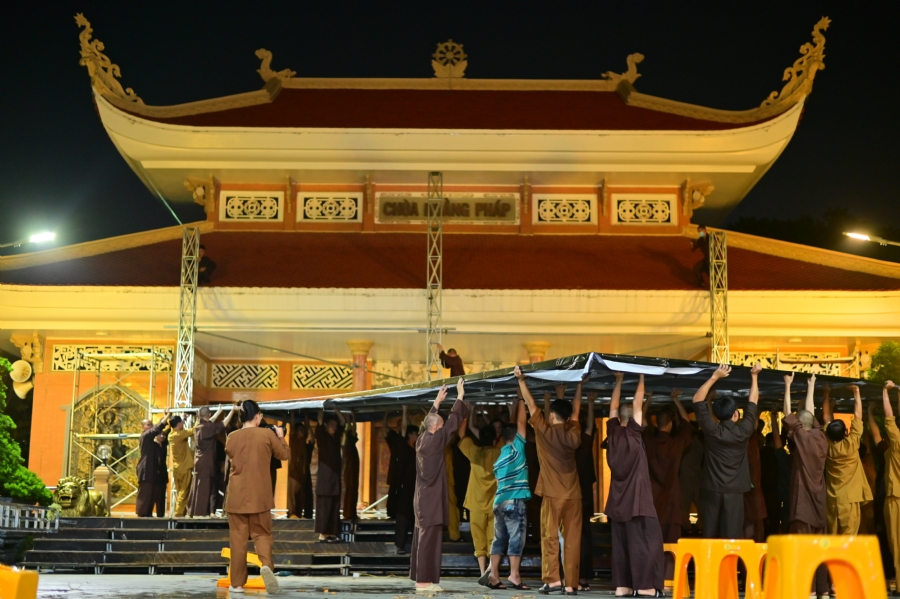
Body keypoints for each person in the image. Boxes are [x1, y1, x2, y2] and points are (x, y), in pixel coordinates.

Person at [515, 366, 582, 595]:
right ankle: (571, 584)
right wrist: (578, 386)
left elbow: (532, 405)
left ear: (551, 415)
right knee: (573, 541)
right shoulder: (574, 433)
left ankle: (553, 580)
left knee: (550, 536)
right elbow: (575, 413)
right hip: (574, 494)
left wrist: (521, 380)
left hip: (553, 494)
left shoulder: (544, 431)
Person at [606, 373, 664, 598]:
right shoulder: (633, 432)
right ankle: (645, 586)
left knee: (620, 546)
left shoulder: (612, 433)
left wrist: (618, 381)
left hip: (617, 502)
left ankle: (623, 586)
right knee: (647, 542)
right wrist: (641, 375)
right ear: (634, 420)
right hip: (638, 501)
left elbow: (613, 407)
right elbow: (637, 401)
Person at [224, 400, 291, 594]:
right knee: (262, 535)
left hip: (236, 496)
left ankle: (237, 584)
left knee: (237, 540)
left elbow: (231, 454)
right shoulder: (267, 434)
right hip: (260, 495)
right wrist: (280, 437)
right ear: (258, 416)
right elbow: (284, 455)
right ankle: (267, 567)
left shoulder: (232, 437)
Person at [411, 379, 469, 593]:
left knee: (424, 538)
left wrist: (437, 401)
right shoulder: (434, 441)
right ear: (436, 428)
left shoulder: (421, 439)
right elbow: (453, 422)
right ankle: (424, 582)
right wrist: (460, 395)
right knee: (428, 540)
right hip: (431, 498)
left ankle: (423, 579)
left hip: (422, 498)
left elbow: (429, 421)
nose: (444, 428)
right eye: (441, 425)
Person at [692, 363, 761, 538]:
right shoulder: (744, 431)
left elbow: (697, 400)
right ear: (736, 414)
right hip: (735, 493)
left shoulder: (712, 430)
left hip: (711, 490)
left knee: (709, 535)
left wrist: (714, 377)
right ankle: (729, 565)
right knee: (731, 536)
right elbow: (753, 402)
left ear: (715, 415)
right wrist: (754, 376)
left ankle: (709, 566)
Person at [782, 372, 829, 597]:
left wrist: (788, 385)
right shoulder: (821, 438)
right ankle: (822, 590)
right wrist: (812, 386)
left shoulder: (801, 438)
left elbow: (787, 414)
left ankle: (807, 590)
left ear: (800, 425)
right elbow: (808, 415)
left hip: (802, 506)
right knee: (819, 550)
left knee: (802, 550)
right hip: (820, 505)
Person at [485, 395, 531, 591]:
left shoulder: (500, 456)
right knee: (516, 538)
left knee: (499, 539)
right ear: (517, 436)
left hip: (498, 502)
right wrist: (521, 398)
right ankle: (514, 574)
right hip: (514, 501)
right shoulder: (517, 449)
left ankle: (493, 574)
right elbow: (521, 421)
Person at [643, 389, 693, 543]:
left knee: (652, 546)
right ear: (670, 424)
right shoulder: (676, 444)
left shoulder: (649, 442)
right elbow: (687, 423)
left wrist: (648, 399)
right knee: (672, 549)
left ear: (656, 423)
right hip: (672, 505)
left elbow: (640, 421)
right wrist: (676, 399)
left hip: (652, 502)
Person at [823, 384, 872, 534]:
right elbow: (858, 417)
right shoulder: (852, 444)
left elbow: (826, 417)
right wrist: (856, 392)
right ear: (846, 432)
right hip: (850, 501)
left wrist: (826, 393)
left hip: (832, 501)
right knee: (848, 541)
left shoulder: (827, 445)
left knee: (833, 539)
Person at [460, 410, 502, 577]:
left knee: (479, 541)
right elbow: (509, 433)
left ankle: (482, 571)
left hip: (475, 503)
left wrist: (465, 413)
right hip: (494, 503)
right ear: (494, 439)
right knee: (494, 538)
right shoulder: (500, 452)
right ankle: (492, 571)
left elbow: (462, 435)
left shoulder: (474, 452)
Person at [188, 404, 236, 517]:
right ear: (208, 415)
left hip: (198, 462)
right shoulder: (207, 428)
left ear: (198, 415)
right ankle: (199, 513)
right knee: (204, 488)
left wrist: (219, 411)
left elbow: (211, 422)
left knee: (197, 486)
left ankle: (193, 511)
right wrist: (232, 411)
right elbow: (223, 423)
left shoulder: (198, 426)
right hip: (206, 463)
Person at [385, 407, 418, 553]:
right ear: (410, 435)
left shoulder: (418, 450)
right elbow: (404, 427)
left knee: (415, 518)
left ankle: (416, 546)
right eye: (416, 434)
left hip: (416, 489)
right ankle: (400, 545)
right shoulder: (403, 447)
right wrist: (405, 410)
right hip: (405, 488)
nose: (418, 436)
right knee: (403, 517)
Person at [576, 391, 598, 591]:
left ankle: (570, 578)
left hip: (568, 496)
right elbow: (591, 426)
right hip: (583, 499)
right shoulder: (584, 442)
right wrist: (590, 403)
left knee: (568, 538)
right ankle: (583, 577)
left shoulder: (565, 443)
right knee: (584, 538)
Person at [879, 381, 900, 582]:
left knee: (895, 541)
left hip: (896, 497)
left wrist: (886, 392)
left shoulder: (897, 442)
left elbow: (889, 417)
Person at [315, 409, 344, 542]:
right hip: (325, 479)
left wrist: (336, 409)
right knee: (325, 507)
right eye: (332, 424)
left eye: (335, 425)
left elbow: (343, 422)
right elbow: (320, 420)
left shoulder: (336, 437)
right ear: (326, 425)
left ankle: (332, 533)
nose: (334, 427)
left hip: (335, 478)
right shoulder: (322, 435)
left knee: (334, 507)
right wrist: (321, 409)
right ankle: (323, 534)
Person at [136, 410, 170, 517]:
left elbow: (162, 432)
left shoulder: (153, 443)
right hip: (146, 471)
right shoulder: (145, 437)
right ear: (143, 427)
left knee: (151, 496)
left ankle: (147, 515)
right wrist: (167, 416)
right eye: (148, 424)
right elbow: (157, 429)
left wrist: (167, 418)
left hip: (152, 472)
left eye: (151, 424)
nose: (151, 426)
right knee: (145, 495)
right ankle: (142, 515)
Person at [743, 418, 768, 542]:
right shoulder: (752, 443)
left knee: (749, 525)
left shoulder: (746, 443)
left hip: (748, 489)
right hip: (753, 489)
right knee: (755, 526)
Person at [167, 415, 194, 517]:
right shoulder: (179, 434)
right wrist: (199, 419)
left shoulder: (171, 435)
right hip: (184, 467)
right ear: (178, 425)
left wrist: (183, 418)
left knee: (180, 493)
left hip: (177, 468)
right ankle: (178, 514)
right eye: (182, 423)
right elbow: (193, 430)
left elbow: (177, 426)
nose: (183, 424)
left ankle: (181, 512)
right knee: (183, 492)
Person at [288, 417, 312, 518]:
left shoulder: (303, 442)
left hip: (302, 475)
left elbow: (307, 429)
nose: (302, 431)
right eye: (300, 430)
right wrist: (293, 414)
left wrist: (306, 415)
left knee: (300, 498)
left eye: (303, 430)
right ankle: (292, 514)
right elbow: (292, 428)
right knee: (292, 497)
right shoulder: (293, 440)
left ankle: (298, 514)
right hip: (294, 474)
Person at [342, 411, 360, 522]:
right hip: (349, 472)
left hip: (354, 471)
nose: (356, 434)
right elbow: (351, 430)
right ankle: (348, 513)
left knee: (354, 491)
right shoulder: (347, 445)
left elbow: (354, 430)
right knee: (350, 491)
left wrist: (353, 418)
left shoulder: (352, 445)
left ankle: (352, 512)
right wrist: (350, 419)